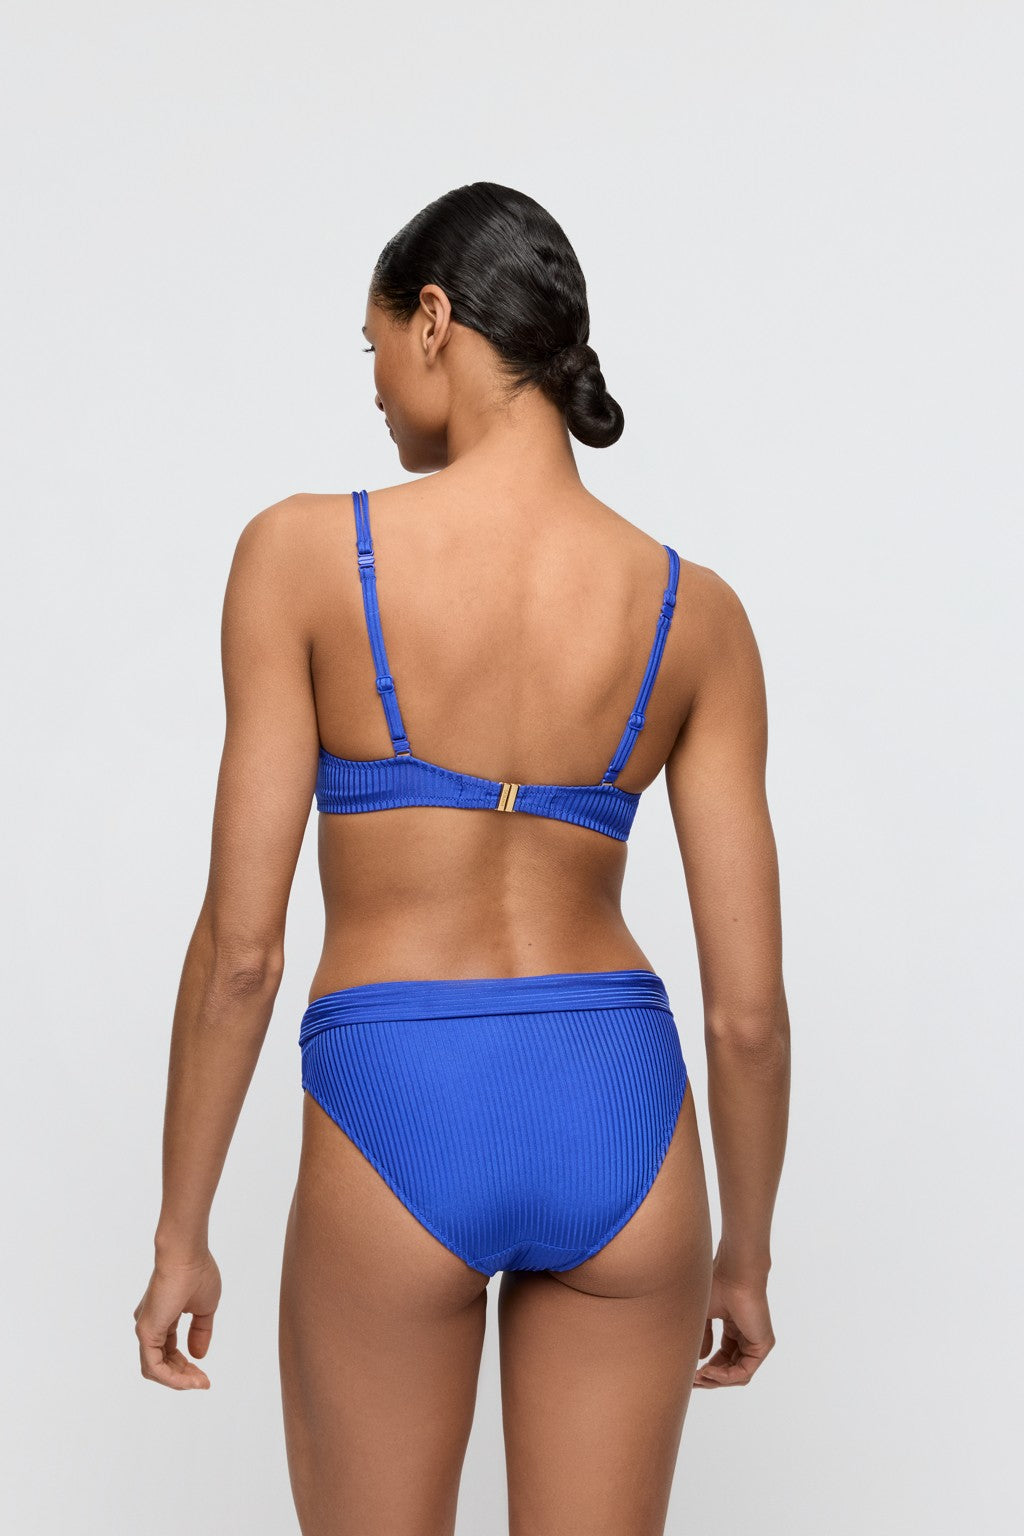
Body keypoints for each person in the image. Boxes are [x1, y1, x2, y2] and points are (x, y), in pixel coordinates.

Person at [133, 181, 791, 1536]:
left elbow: (242, 951)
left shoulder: (303, 556)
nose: (376, 387)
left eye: (375, 345)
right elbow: (747, 1014)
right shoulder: (696, 613)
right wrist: (744, 1250)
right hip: (622, 1109)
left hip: (399, 1097)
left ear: (433, 319)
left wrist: (181, 1228)